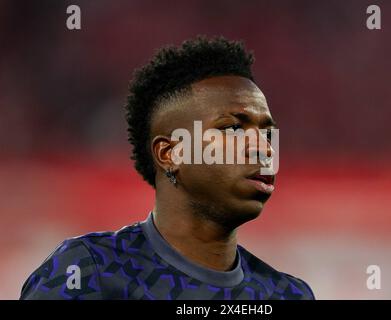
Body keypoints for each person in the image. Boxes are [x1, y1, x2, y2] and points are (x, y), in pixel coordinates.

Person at [20, 36, 314, 300]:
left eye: (267, 132)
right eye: (234, 128)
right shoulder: (89, 272)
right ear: (170, 153)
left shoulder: (287, 294)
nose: (263, 148)